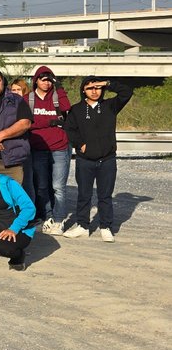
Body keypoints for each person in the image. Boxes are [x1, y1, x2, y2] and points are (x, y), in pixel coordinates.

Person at [62, 77, 132, 242]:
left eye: (97, 88)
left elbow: (127, 92)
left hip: (107, 159)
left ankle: (106, 227)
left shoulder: (110, 106)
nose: (94, 91)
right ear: (83, 90)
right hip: (85, 160)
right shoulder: (76, 109)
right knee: (84, 194)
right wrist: (80, 143)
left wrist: (107, 83)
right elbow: (69, 129)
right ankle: (82, 226)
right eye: (90, 88)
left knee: (105, 195)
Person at [26, 66, 72, 235]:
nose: (46, 83)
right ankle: (48, 216)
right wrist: (51, 122)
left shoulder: (56, 97)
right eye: (43, 79)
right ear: (35, 81)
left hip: (59, 147)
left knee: (58, 187)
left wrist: (59, 87)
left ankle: (59, 220)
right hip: (38, 148)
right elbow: (26, 123)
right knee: (42, 186)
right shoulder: (28, 99)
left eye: (49, 80)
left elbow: (67, 107)